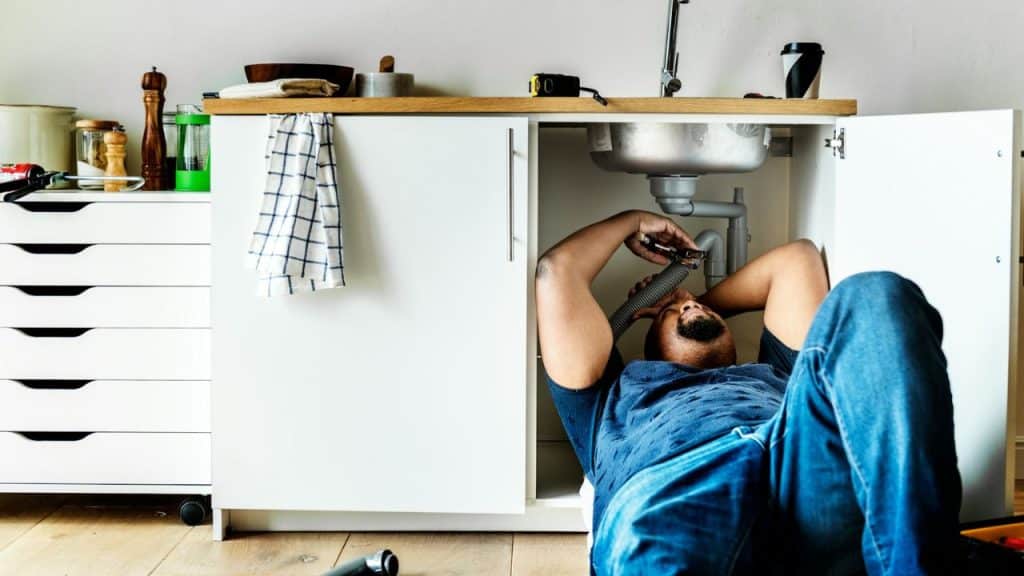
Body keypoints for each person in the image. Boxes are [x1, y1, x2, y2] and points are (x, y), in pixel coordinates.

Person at [535, 210, 962, 575]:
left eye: (693, 308)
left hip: (796, 465)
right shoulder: (610, 396)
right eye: (670, 313)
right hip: (674, 489)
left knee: (874, 296)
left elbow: (797, 260)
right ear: (648, 345)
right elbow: (557, 271)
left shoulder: (775, 371)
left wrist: (692, 299)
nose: (688, 309)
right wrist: (632, 221)